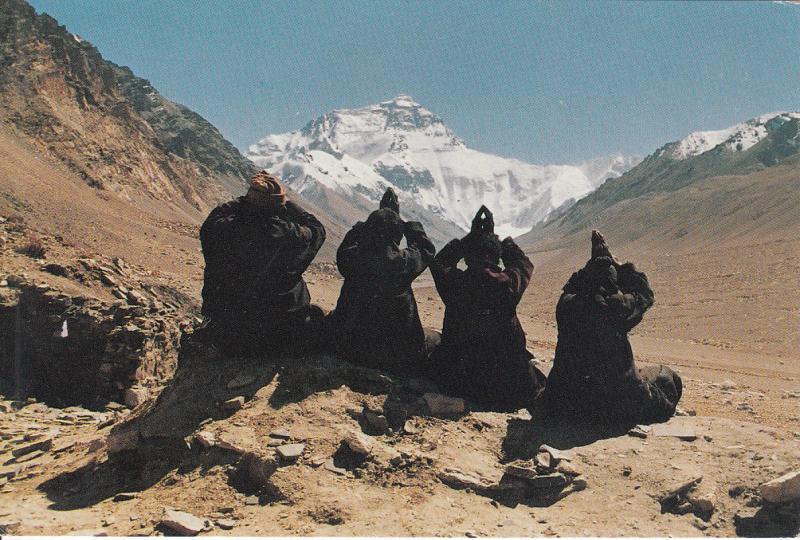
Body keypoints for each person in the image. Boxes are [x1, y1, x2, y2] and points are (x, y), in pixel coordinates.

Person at [541, 230, 682, 424]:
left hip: (567, 403)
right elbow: (645, 295)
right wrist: (620, 266)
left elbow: (571, 287)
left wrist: (594, 263)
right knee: (667, 378)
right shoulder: (617, 306)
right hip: (614, 407)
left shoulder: (567, 305)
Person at [428, 206, 546, 412]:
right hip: (505, 385)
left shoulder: (455, 282)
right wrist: (502, 242)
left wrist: (469, 239)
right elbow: (523, 263)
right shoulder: (507, 283)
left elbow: (439, 262)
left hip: (458, 382)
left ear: (467, 256)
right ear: (496, 257)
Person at [198, 170, 326, 356]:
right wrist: (288, 204)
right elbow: (317, 230)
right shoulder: (289, 234)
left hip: (227, 333)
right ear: (278, 207)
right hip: (276, 336)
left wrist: (246, 200)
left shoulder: (220, 227)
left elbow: (216, 215)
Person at [328, 188, 437, 373]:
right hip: (397, 356)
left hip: (350, 349)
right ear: (398, 235)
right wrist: (402, 221)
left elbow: (347, 245)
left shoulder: (352, 257)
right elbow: (426, 249)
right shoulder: (404, 261)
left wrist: (371, 222)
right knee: (434, 338)